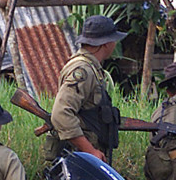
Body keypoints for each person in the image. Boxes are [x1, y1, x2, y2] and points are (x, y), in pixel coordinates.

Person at [43, 15, 126, 164]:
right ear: (106, 43)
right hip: (79, 157)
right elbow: (61, 113)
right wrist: (90, 150)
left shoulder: (91, 69)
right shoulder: (83, 71)